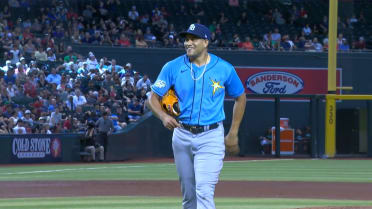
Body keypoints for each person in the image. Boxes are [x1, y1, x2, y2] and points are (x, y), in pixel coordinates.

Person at [147, 23, 246, 209]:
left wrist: (233, 132)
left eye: (193, 39)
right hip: (181, 134)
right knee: (189, 196)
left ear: (206, 42)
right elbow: (153, 98)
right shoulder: (172, 67)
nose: (188, 43)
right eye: (186, 39)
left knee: (204, 190)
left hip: (211, 135)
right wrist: (162, 116)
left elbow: (241, 98)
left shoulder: (224, 68)